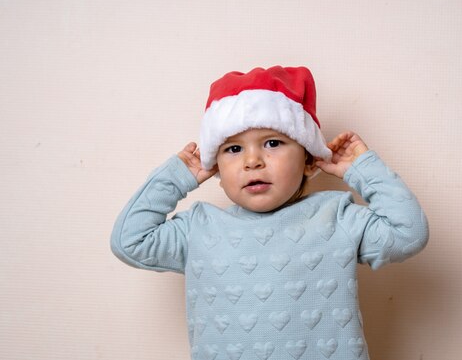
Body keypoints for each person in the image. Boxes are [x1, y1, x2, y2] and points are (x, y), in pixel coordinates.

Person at [111, 66, 429, 360]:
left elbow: (407, 232)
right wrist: (176, 177)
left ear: (308, 159)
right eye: (233, 149)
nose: (252, 161)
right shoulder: (199, 228)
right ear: (215, 166)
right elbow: (130, 241)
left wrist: (361, 169)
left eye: (272, 143)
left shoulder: (337, 217)